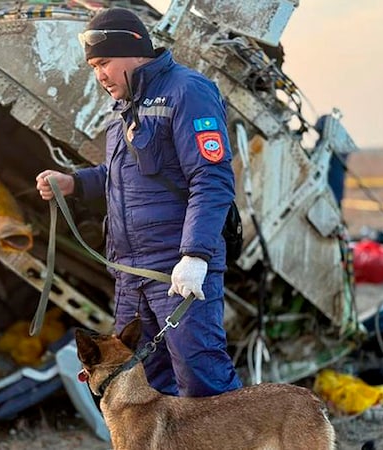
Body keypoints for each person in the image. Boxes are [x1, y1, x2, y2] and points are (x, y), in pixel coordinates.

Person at [35, 7, 241, 397]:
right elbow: (122, 176)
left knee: (203, 383)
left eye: (104, 62)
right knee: (141, 390)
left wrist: (195, 256)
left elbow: (211, 177)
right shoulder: (124, 108)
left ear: (135, 49)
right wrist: (74, 183)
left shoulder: (188, 91)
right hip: (131, 276)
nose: (100, 76)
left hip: (175, 272)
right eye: (94, 66)